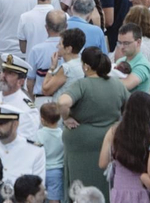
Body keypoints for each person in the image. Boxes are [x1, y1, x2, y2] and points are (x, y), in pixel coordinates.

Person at [56, 48, 128, 203]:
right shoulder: (117, 84)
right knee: (105, 184)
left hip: (81, 144)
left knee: (80, 187)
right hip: (109, 142)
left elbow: (63, 102)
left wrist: (66, 117)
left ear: (86, 66)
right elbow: (130, 106)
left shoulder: (82, 84)